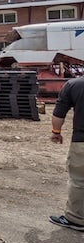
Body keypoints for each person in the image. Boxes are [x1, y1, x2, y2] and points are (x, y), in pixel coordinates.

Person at [50, 76, 84, 231]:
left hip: (81, 140)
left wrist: (56, 132)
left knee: (79, 180)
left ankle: (76, 219)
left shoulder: (75, 85)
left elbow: (59, 113)